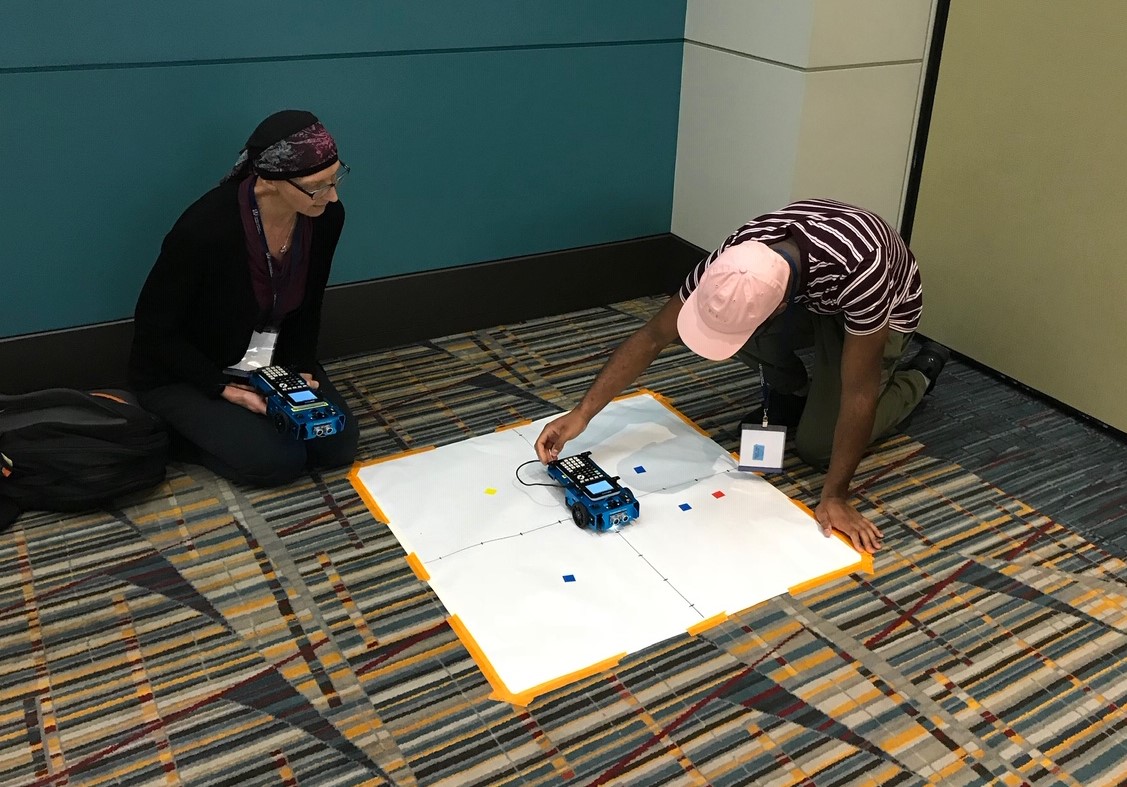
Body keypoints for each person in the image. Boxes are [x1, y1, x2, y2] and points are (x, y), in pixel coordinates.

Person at [534, 198, 948, 553]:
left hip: (881, 315)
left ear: (779, 308)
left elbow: (859, 392)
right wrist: (582, 413)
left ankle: (917, 377)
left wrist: (835, 496)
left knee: (820, 447)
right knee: (738, 335)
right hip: (814, 299)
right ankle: (799, 393)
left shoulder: (863, 270)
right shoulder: (735, 260)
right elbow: (654, 335)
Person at [129, 109, 359, 486]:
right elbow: (154, 332)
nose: (332, 197)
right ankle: (178, 435)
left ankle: (235, 426)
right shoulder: (204, 230)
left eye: (336, 180)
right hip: (189, 371)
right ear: (269, 182)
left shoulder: (324, 218)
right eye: (319, 185)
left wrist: (299, 369)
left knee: (335, 445)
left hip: (268, 361)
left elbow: (309, 304)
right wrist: (221, 388)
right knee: (277, 461)